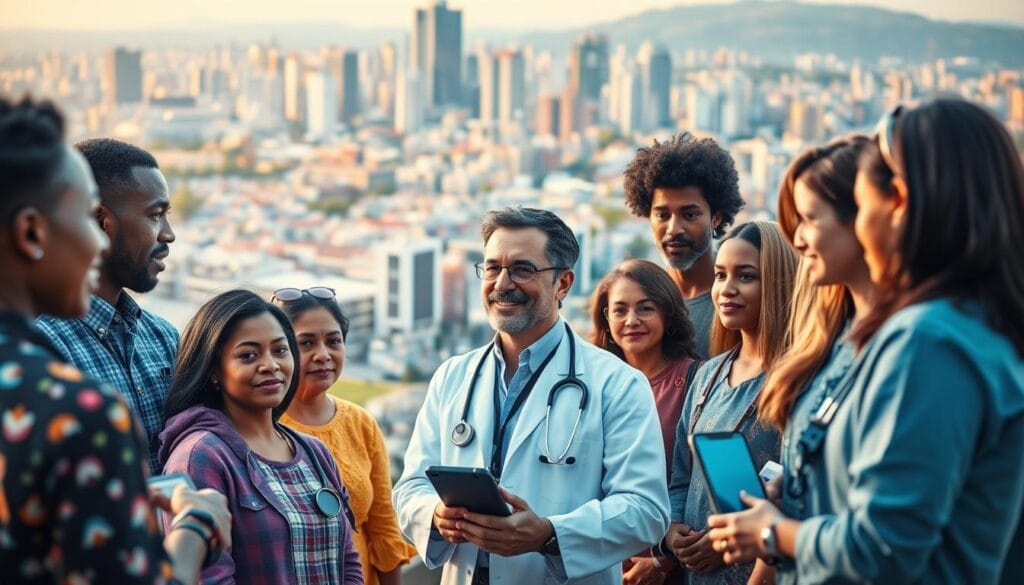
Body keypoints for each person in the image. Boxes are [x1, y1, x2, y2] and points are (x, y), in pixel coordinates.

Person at [705, 98, 1024, 585]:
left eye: (862, 199)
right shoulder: (932, 331)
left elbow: (883, 546)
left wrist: (773, 534)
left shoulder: (930, 343)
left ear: (896, 200)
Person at [0, 94, 229, 584]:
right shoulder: (71, 406)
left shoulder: (164, 340)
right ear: (31, 233)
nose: (96, 242)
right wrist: (198, 522)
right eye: (85, 218)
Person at [393, 207, 670, 584]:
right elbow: (410, 487)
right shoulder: (453, 377)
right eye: (492, 268)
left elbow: (647, 511)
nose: (502, 283)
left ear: (563, 284)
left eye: (523, 269)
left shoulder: (618, 384)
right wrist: (435, 515)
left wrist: (550, 535)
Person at [159, 290, 363, 584]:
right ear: (214, 371)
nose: (271, 365)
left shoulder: (314, 452)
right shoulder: (201, 457)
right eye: (248, 355)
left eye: (280, 350)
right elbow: (209, 577)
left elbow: (348, 562)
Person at [752, 135, 875, 584]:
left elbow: (885, 540)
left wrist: (774, 532)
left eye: (808, 219)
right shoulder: (837, 346)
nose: (799, 241)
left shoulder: (916, 347)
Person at [664, 221, 797, 585]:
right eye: (721, 275)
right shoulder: (707, 377)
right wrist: (674, 529)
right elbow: (681, 476)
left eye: (746, 276)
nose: (727, 289)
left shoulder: (798, 381)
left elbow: (797, 498)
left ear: (778, 282)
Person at [36, 138, 178, 474]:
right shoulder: (39, 348)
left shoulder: (163, 338)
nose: (168, 235)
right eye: (155, 216)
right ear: (102, 222)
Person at [273, 287, 417, 585]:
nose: (323, 354)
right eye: (307, 343)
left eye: (334, 341)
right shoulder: (264, 428)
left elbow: (384, 529)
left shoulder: (360, 423)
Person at [589, 259, 701, 585]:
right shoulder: (594, 384)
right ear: (605, 318)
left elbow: (696, 486)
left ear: (668, 313)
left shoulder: (697, 380)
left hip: (671, 565)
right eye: (620, 310)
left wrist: (661, 561)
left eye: (645, 308)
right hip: (598, 557)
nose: (632, 321)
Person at [623, 132, 745, 358]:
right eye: (662, 215)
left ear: (715, 218)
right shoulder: (636, 302)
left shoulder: (740, 300)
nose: (673, 229)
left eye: (689, 215)